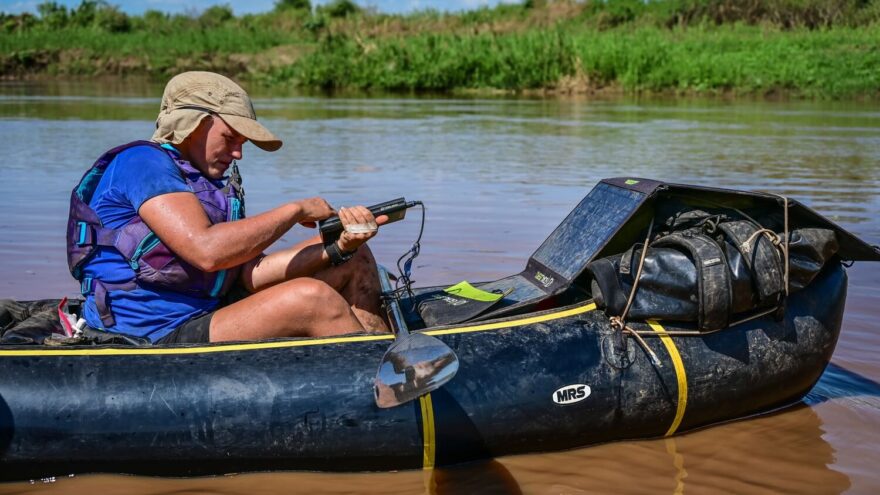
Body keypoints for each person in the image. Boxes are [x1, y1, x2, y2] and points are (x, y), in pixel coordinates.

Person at [66, 71, 389, 344]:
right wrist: (295, 211)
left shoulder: (202, 182)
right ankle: (386, 388)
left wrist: (340, 246)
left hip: (206, 311)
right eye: (231, 137)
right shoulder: (143, 163)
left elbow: (248, 274)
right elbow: (208, 251)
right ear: (193, 123)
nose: (238, 154)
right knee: (311, 298)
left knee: (355, 258)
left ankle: (385, 353)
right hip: (151, 332)